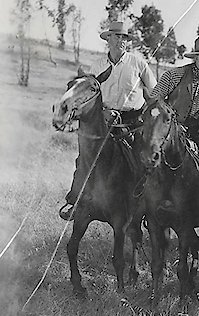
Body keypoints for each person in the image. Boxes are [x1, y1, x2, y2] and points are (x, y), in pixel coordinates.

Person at [59, 21, 157, 220]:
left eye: (124, 38)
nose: (121, 41)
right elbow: (90, 93)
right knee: (85, 158)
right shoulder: (97, 65)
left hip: (132, 122)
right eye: (117, 36)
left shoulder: (138, 63)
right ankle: (75, 201)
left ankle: (145, 207)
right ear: (108, 39)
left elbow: (155, 93)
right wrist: (101, 112)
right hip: (103, 120)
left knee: (140, 159)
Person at [148, 34, 199, 185]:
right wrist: (166, 114)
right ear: (197, 57)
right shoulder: (174, 75)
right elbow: (153, 101)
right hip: (170, 130)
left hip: (198, 131)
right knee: (146, 159)